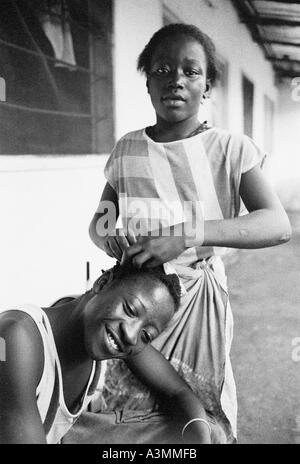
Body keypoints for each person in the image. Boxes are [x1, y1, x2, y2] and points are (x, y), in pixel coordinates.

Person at [89, 23, 291, 444]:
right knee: (130, 416)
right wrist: (109, 237)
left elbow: (276, 224)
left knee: (199, 414)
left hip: (197, 306)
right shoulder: (127, 149)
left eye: (190, 71)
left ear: (208, 86)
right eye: (162, 69)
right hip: (133, 305)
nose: (175, 79)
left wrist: (187, 235)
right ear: (147, 82)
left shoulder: (230, 149)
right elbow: (101, 221)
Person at [0, 263, 213, 444]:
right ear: (102, 283)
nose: (131, 335)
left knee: (207, 429)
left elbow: (177, 392)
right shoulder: (14, 337)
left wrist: (200, 438)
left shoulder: (107, 330)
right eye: (130, 310)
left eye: (146, 335)